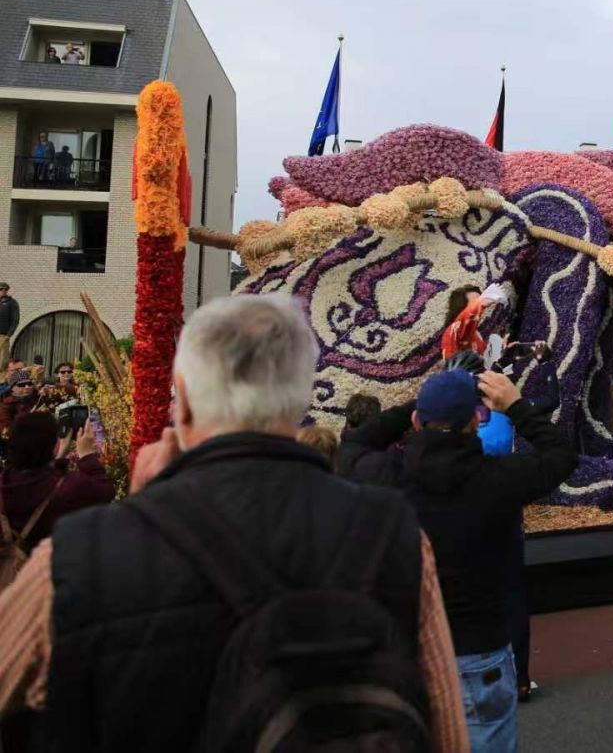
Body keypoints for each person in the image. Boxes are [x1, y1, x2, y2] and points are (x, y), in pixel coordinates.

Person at [0, 294, 469, 750]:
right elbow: (447, 733)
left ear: (182, 399)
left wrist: (136, 517)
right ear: (301, 399)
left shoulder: (76, 557)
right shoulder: (393, 536)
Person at [338, 360, 575, 752]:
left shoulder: (385, 474)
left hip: (408, 651)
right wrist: (515, 405)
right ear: (475, 422)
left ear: (416, 421)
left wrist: (425, 402)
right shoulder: (499, 478)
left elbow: (353, 443)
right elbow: (561, 454)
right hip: (479, 651)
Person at [0, 412, 113, 552]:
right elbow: (105, 492)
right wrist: (87, 456)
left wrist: (58, 457)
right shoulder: (69, 487)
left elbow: (36, 478)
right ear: (54, 446)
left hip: (20, 562)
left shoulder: (5, 483)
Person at [0, 284, 17, 365]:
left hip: (3, 336)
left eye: (5, 289)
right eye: (1, 289)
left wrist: (9, 334)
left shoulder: (12, 303)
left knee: (2, 361)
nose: (3, 291)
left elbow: (15, 320)